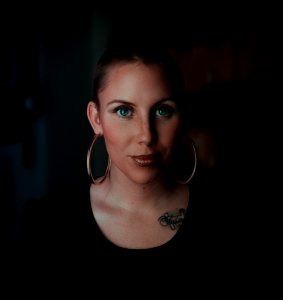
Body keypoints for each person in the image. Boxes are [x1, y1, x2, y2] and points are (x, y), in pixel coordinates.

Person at [16, 45, 247, 292]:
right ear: (96, 119)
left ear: (182, 117)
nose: (146, 136)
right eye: (124, 111)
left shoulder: (226, 219)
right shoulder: (49, 223)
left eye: (162, 110)